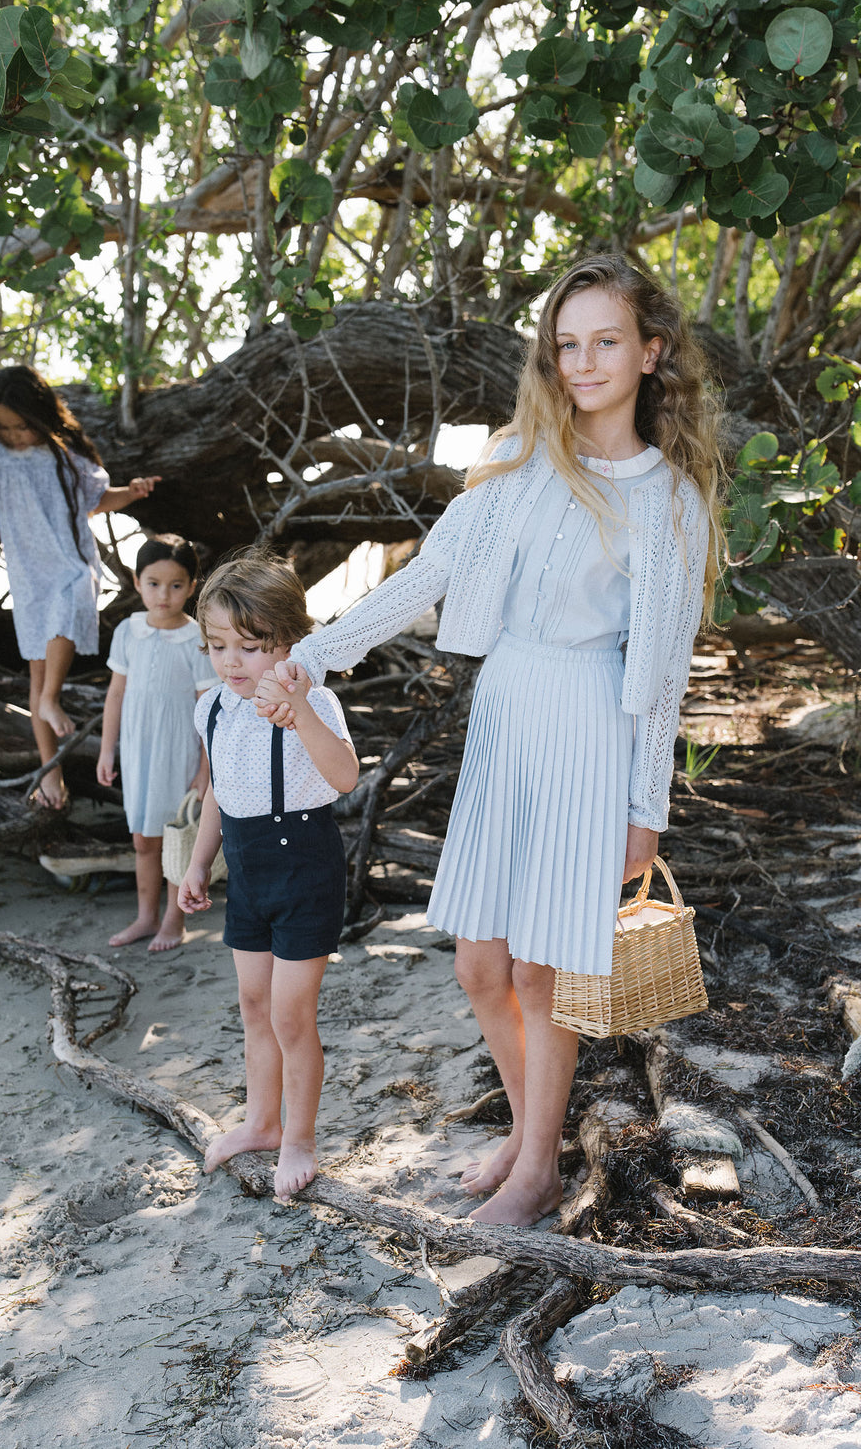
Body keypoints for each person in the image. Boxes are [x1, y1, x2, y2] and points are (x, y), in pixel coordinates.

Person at [262, 253, 726, 1227]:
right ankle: (530, 1134)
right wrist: (316, 652)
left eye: (607, 341)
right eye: (567, 344)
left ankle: (535, 1173)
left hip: (591, 726)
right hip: (508, 714)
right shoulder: (520, 462)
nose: (584, 362)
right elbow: (423, 575)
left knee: (539, 968)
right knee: (481, 965)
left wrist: (648, 810)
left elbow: (661, 671)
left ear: (650, 354)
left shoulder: (667, 499)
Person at [178, 549, 359, 1198]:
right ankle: (259, 1122)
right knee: (253, 1005)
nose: (231, 662)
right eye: (217, 645)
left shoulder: (316, 700)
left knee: (290, 1016)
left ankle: (298, 1139)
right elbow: (219, 795)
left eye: (250, 648)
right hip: (247, 866)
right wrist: (200, 865)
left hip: (303, 863)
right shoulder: (214, 709)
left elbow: (344, 778)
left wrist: (298, 710)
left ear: (289, 643)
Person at [0, 366, 160, 808]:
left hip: (70, 560)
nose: (15, 435)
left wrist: (133, 491)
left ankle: (52, 701)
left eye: (23, 426)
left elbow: (96, 500)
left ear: (41, 415)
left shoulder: (63, 451)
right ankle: (49, 774)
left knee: (76, 596)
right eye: (5, 427)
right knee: (36, 677)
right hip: (30, 572)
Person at [97, 534, 215, 952]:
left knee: (176, 837)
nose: (163, 595)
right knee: (143, 839)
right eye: (153, 583)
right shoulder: (129, 631)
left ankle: (173, 920)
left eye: (176, 585)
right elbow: (116, 695)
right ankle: (145, 916)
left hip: (178, 753)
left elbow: (209, 712)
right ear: (136, 581)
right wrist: (107, 749)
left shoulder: (197, 639)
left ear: (193, 585)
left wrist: (205, 770)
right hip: (138, 751)